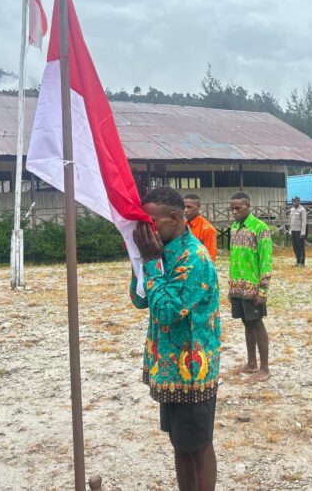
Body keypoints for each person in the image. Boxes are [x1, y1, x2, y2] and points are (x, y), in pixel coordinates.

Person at [130, 186, 221, 491]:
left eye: (151, 222)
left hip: (192, 372)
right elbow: (141, 300)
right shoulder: (164, 251)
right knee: (180, 444)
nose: (146, 229)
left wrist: (152, 262)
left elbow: (167, 311)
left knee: (198, 445)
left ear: (174, 218)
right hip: (170, 366)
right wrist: (139, 261)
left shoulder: (193, 258)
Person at [228, 192, 273, 382]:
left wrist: (263, 289)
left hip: (253, 288)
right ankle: (251, 362)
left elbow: (266, 260)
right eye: (232, 209)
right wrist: (230, 287)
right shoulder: (234, 227)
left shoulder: (260, 228)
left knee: (257, 324)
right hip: (237, 287)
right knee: (246, 324)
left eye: (238, 208)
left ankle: (264, 368)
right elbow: (233, 258)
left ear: (248, 206)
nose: (235, 212)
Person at [184, 194, 218, 262]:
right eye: (184, 207)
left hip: (199, 268)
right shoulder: (183, 225)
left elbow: (210, 257)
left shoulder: (207, 229)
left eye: (189, 207)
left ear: (199, 207)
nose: (185, 210)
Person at [289, 196, 307, 267]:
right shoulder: (292, 209)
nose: (294, 202)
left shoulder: (302, 210)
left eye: (295, 201)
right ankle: (297, 261)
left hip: (299, 231)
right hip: (293, 231)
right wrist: (290, 231)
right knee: (295, 247)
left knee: (301, 247)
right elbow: (291, 221)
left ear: (299, 201)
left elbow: (304, 222)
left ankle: (302, 263)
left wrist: (303, 233)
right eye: (293, 201)